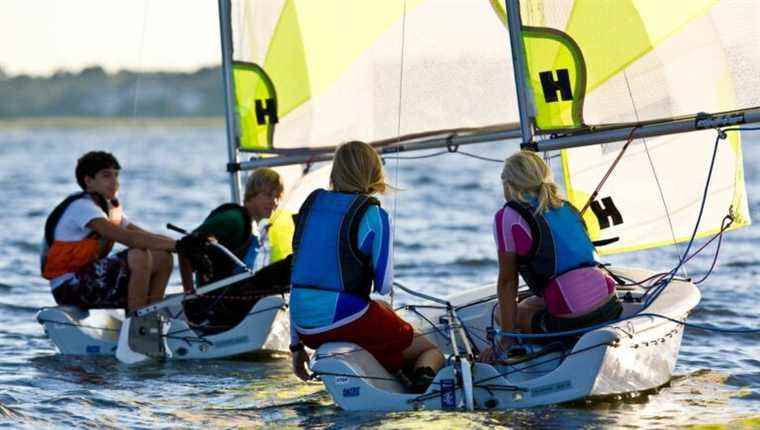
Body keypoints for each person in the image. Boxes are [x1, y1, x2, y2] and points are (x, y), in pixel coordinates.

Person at [289, 140, 444, 393]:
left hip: (306, 327)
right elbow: (383, 285)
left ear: (335, 172)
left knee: (378, 311)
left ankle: (389, 368)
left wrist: (296, 348)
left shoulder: (311, 206)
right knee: (429, 350)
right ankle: (419, 386)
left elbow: (296, 279)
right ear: (373, 173)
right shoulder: (374, 216)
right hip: (343, 318)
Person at [480, 150, 623, 363]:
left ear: (508, 184)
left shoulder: (508, 217)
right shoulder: (567, 206)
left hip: (574, 323)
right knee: (529, 304)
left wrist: (505, 340)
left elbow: (508, 281)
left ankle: (528, 352)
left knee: (502, 313)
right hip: (611, 306)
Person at [41, 151, 176, 315]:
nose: (115, 182)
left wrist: (184, 243)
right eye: (106, 176)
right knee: (139, 253)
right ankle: (138, 322)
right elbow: (128, 238)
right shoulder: (81, 207)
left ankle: (154, 315)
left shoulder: (108, 209)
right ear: (88, 181)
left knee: (163, 256)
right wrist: (176, 245)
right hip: (68, 287)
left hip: (90, 278)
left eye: (116, 175)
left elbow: (146, 236)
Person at [178, 168, 294, 333]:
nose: (274, 202)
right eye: (268, 195)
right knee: (291, 266)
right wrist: (190, 296)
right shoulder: (234, 220)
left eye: (277, 197)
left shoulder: (251, 226)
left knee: (288, 270)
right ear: (252, 194)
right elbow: (186, 246)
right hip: (217, 302)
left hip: (232, 298)